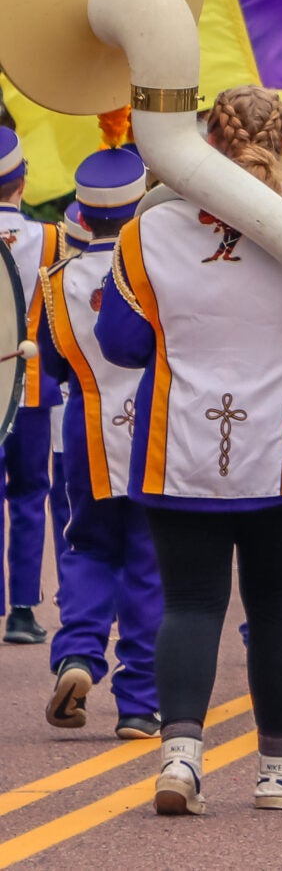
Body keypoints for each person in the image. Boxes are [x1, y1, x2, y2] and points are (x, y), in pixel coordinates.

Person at [92, 86, 282, 814]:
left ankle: (182, 756)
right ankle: (277, 771)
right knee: (278, 605)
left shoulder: (146, 228)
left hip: (179, 441)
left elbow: (120, 342)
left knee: (188, 603)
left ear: (207, 141)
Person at [37, 138, 158, 738]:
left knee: (87, 545)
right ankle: (139, 700)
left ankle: (80, 654)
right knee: (150, 558)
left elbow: (52, 368)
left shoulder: (59, 278)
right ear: (141, 207)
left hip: (86, 429)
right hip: (158, 427)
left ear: (81, 214)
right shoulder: (155, 269)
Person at [0, 126, 62, 648]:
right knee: (28, 496)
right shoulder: (52, 237)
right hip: (32, 385)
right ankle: (22, 611)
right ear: (22, 181)